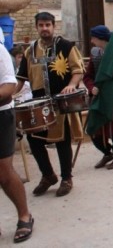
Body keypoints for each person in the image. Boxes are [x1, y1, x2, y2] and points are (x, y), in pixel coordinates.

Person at [15, 12, 85, 197]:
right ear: (37, 27)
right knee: (34, 140)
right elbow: (21, 79)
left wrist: (71, 85)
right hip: (39, 105)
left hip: (61, 103)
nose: (44, 28)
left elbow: (78, 70)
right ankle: (48, 175)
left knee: (62, 140)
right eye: (41, 25)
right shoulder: (30, 51)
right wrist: (10, 95)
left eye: (48, 24)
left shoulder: (66, 46)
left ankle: (66, 178)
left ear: (54, 26)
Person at [0, 41, 34, 243]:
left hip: (1, 115)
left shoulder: (0, 51)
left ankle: (24, 215)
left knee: (4, 172)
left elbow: (9, 86)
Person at [83, 26, 113, 170]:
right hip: (100, 98)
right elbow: (88, 75)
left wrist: (108, 65)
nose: (91, 41)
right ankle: (107, 153)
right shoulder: (95, 53)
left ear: (100, 38)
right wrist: (92, 87)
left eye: (93, 38)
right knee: (95, 129)